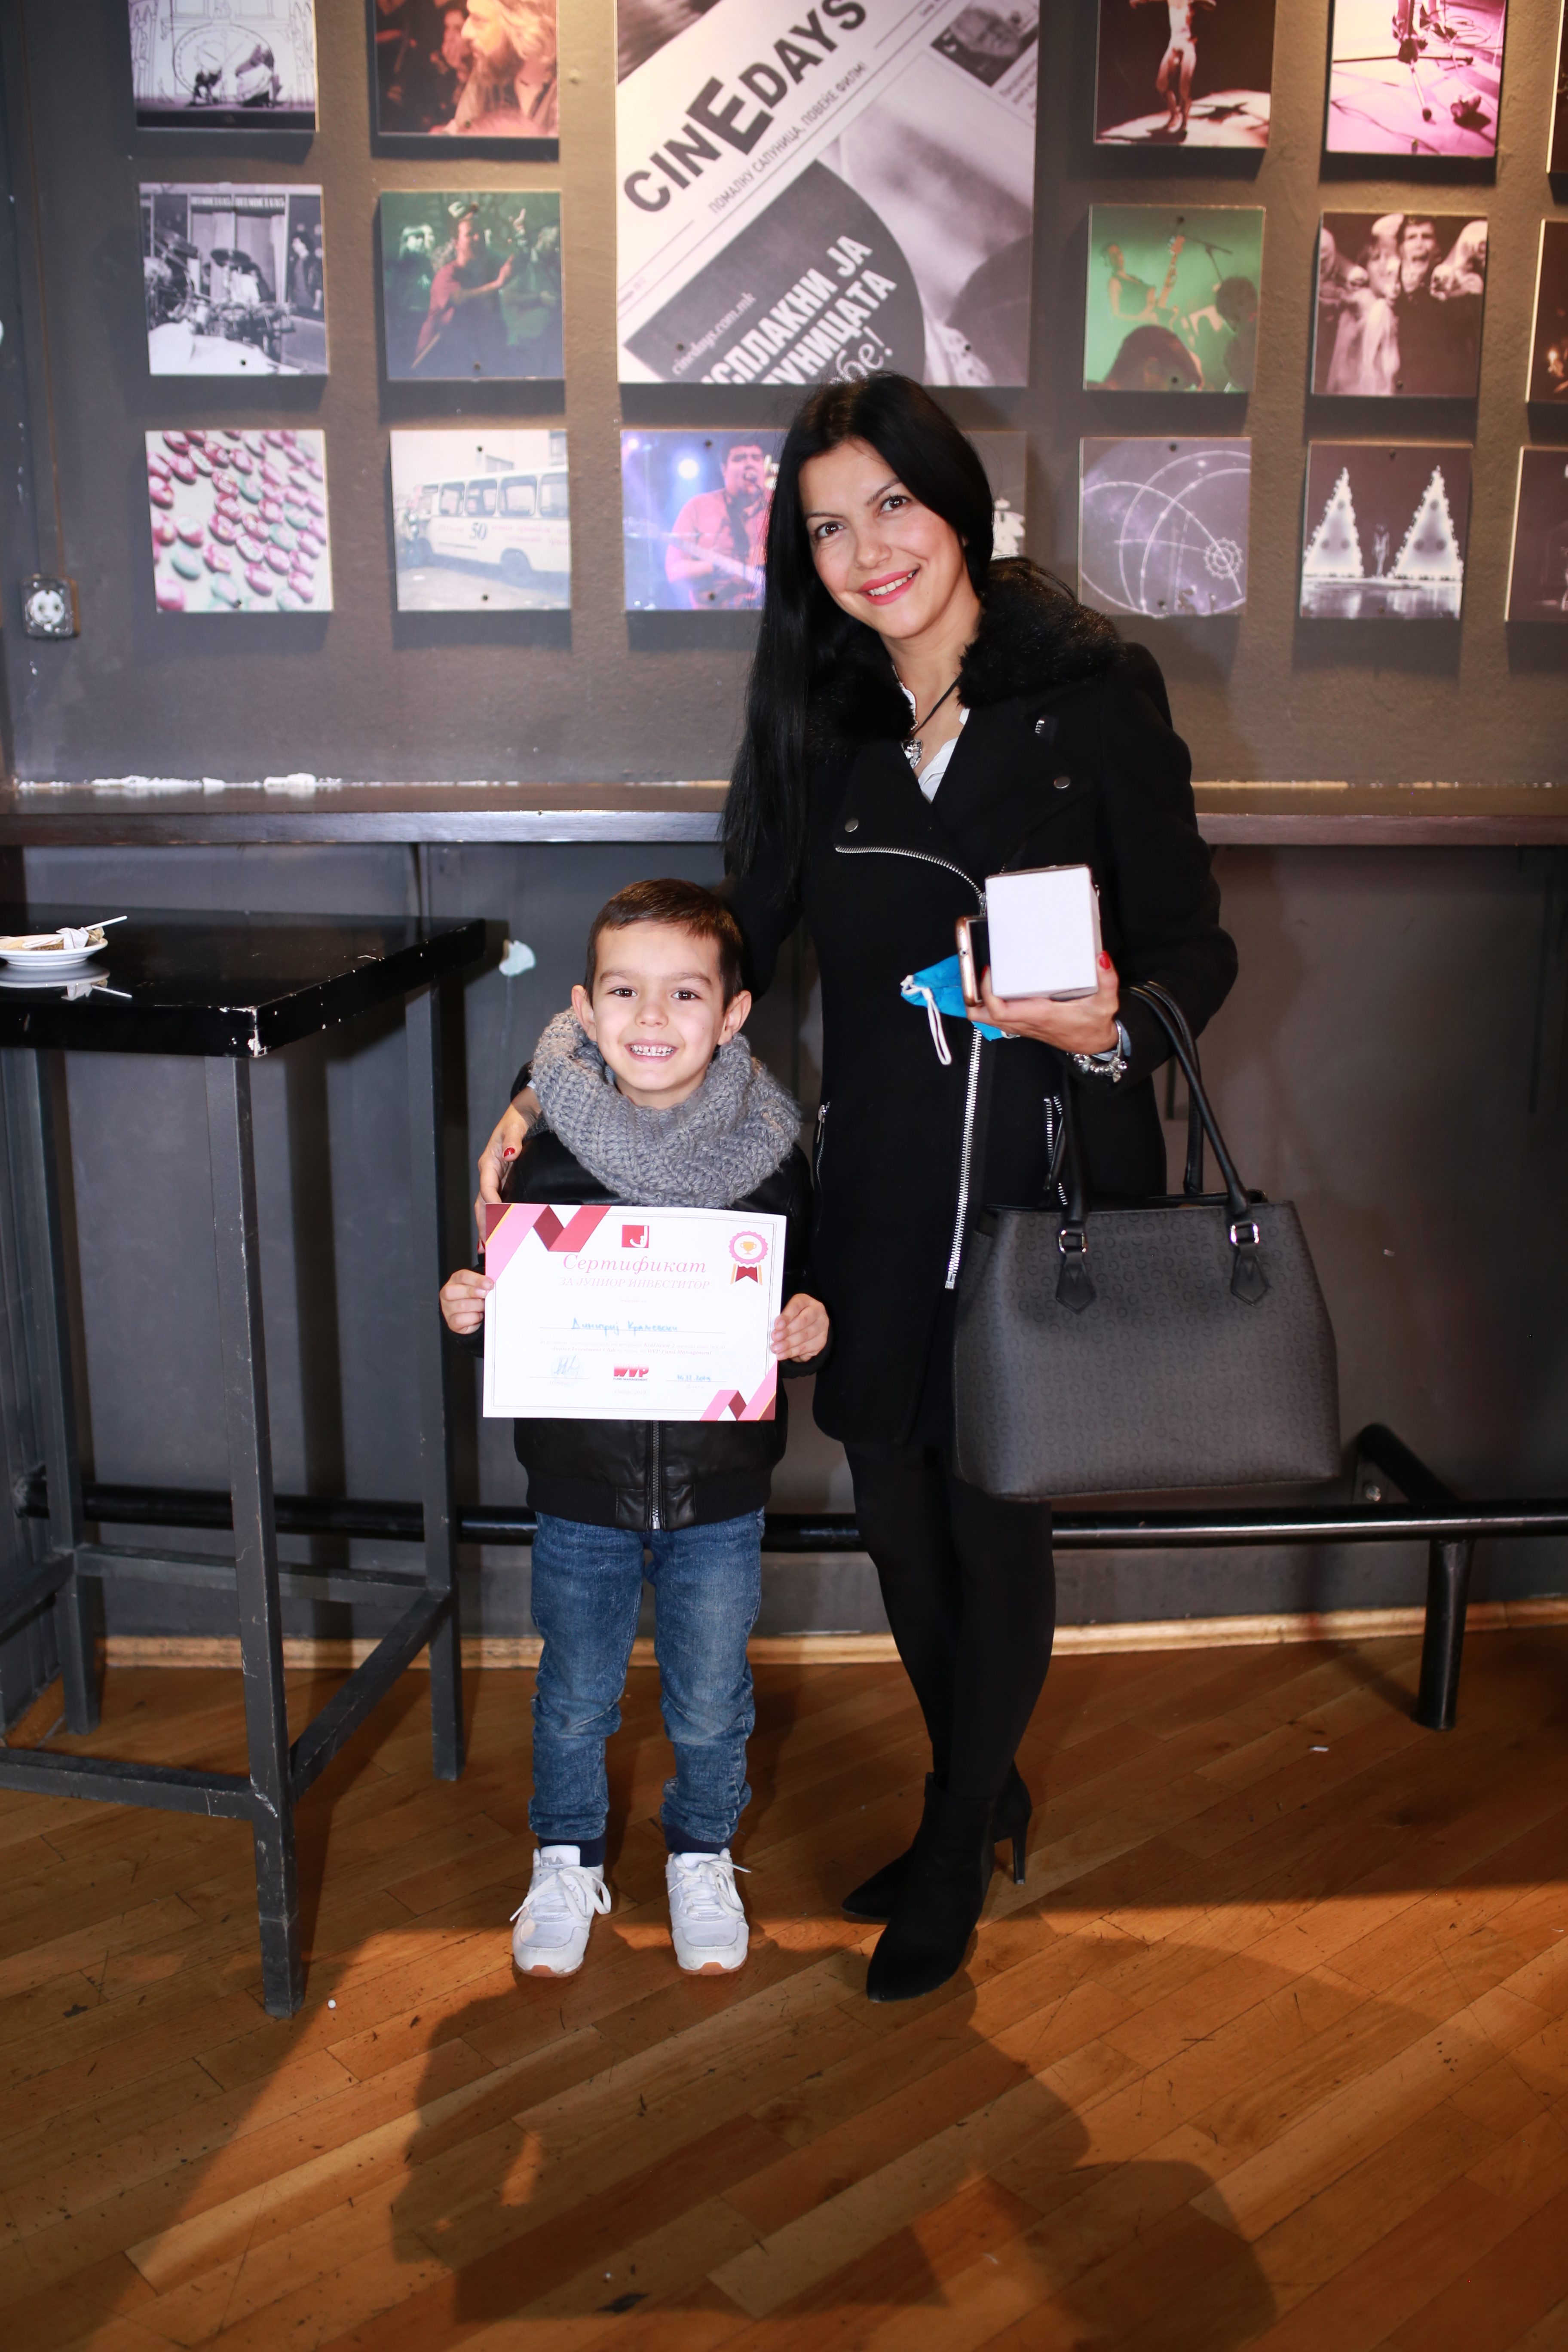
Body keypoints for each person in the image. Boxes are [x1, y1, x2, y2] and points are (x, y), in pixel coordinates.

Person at [727, 375, 1232, 2001]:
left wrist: (1114, 1025)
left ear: (956, 506)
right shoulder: (821, 724)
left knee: (994, 1514)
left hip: (1045, 1179)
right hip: (878, 1185)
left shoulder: (1090, 697)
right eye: (826, 527)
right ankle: (981, 1782)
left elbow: (1194, 945)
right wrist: (559, 1077)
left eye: (891, 504)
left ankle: (954, 1834)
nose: (867, 550)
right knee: (893, 1509)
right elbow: (726, 948)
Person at [442, 880, 829, 1981]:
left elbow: (803, 1302)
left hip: (721, 1495)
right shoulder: (539, 1154)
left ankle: (700, 1854)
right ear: (583, 1006)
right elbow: (514, 1316)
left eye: (685, 993)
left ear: (734, 1013)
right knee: (573, 1696)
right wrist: (472, 1309)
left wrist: (812, 1325)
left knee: (710, 1704)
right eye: (624, 991)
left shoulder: (772, 1160)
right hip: (579, 1490)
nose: (652, 1017)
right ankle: (564, 1857)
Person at [665, 441, 773, 609]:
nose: (749, 464)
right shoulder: (698, 507)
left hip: (772, 617)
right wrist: (710, 567)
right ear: (724, 470)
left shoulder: (782, 504)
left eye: (756, 458)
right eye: (740, 458)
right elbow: (674, 571)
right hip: (714, 617)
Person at [412, 208, 513, 371]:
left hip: (460, 358)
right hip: (432, 361)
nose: (478, 238)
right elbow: (460, 298)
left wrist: (520, 238)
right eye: (471, 234)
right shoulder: (446, 274)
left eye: (480, 233)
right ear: (456, 243)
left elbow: (514, 262)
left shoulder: (480, 272)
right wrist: (497, 284)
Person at [1132, 0, 1215, 141]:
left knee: (1184, 89)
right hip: (1174, 45)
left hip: (1188, 46)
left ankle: (1184, 123)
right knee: (1161, 85)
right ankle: (1175, 115)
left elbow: (1212, 5)